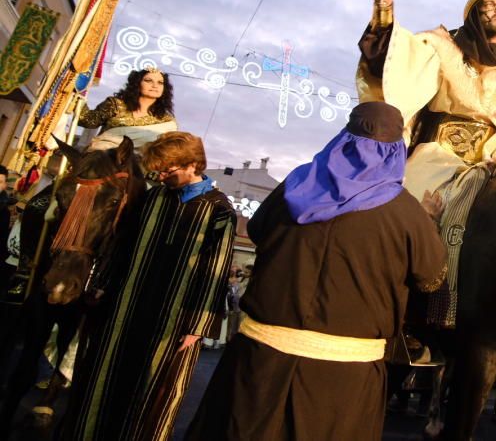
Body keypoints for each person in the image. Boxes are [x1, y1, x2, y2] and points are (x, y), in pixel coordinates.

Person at [184, 101, 447, 441]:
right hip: (343, 385)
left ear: (342, 139)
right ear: (395, 152)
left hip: (258, 369)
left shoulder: (294, 186)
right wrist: (430, 224)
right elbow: (432, 279)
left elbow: (259, 232)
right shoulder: (407, 212)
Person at [357, 0, 496, 325]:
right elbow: (399, 65)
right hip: (436, 157)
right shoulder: (444, 48)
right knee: (405, 210)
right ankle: (397, 312)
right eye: (488, 6)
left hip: (492, 161)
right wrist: (384, 10)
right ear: (474, 15)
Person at [59, 131, 236, 441]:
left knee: (152, 395)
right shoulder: (153, 198)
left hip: (173, 323)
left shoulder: (219, 209)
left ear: (193, 163)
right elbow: (124, 245)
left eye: (169, 169)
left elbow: (216, 268)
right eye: (159, 169)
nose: (162, 175)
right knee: (103, 382)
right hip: (124, 309)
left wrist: (198, 325)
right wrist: (101, 284)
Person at [78, 68, 177, 153]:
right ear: (137, 84)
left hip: (139, 168)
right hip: (102, 160)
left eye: (160, 83)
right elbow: (88, 121)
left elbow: (165, 150)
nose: (155, 85)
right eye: (148, 80)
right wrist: (77, 95)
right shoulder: (115, 105)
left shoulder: (166, 120)